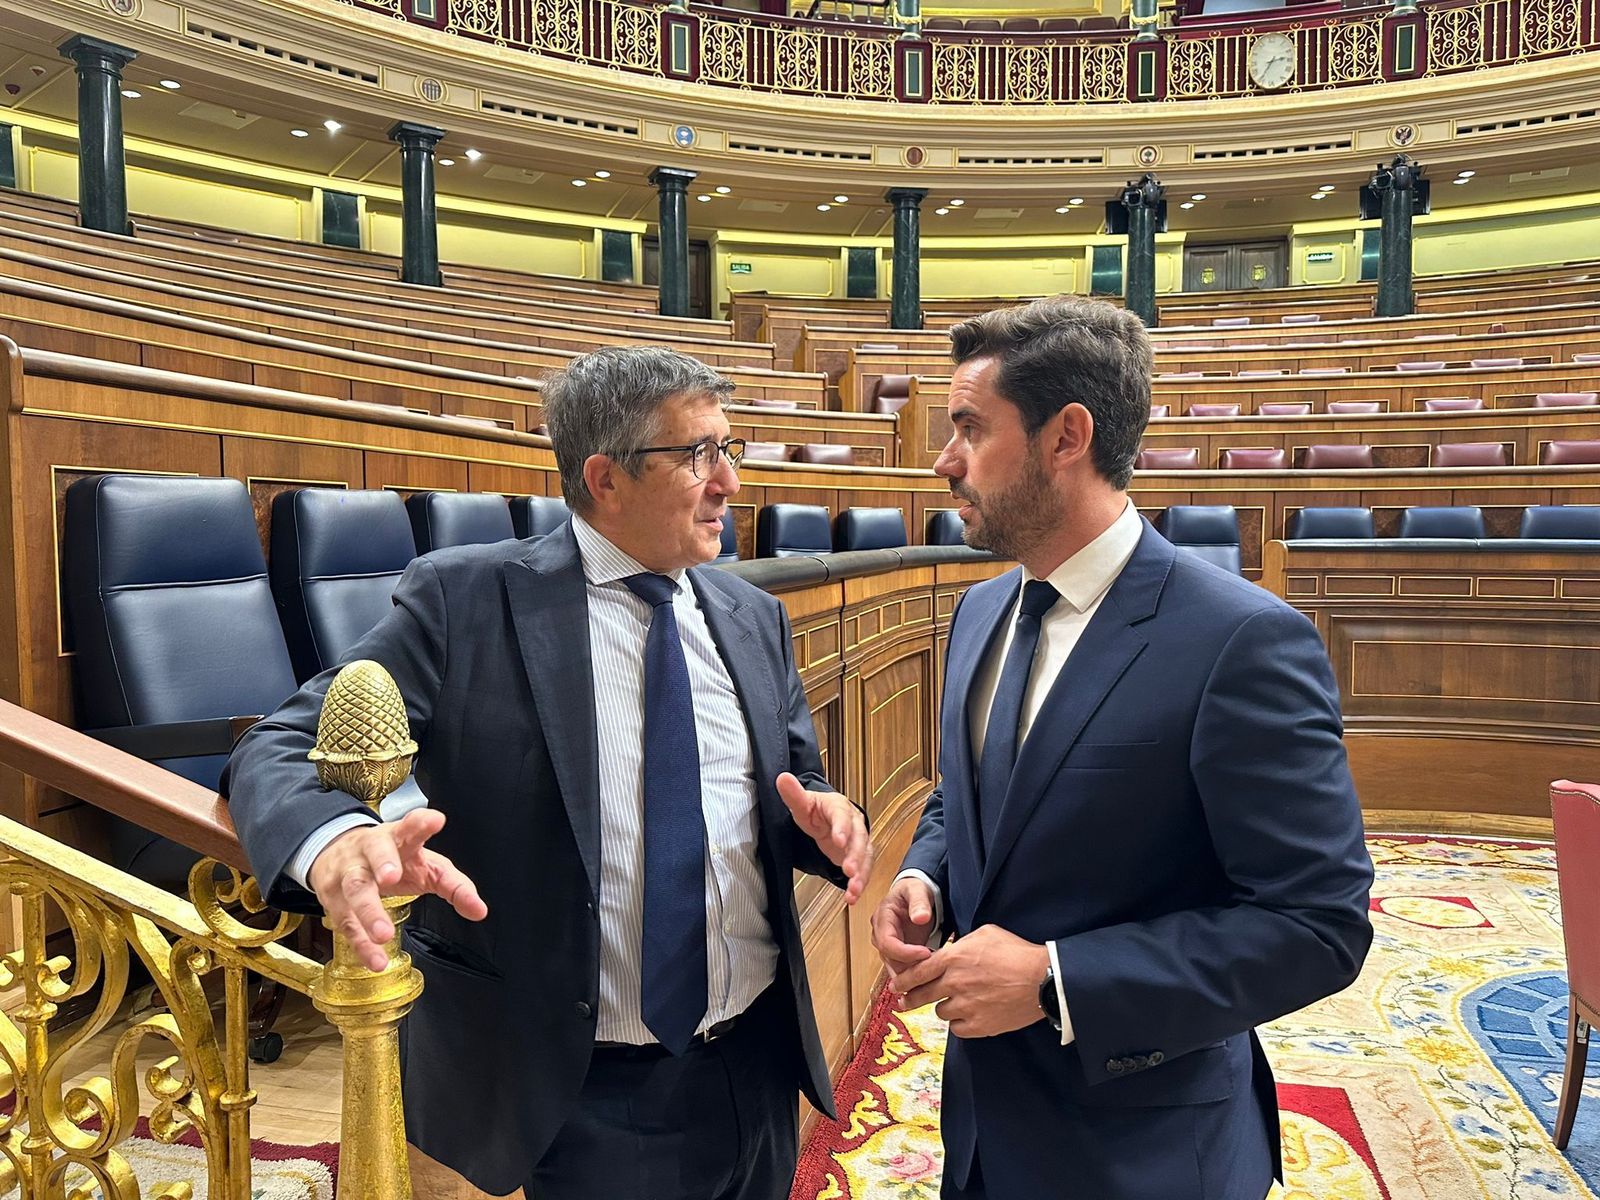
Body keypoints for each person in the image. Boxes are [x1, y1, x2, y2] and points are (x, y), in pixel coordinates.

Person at [222, 345, 872, 1200]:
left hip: (756, 1059)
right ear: (605, 478)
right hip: (583, 1086)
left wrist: (831, 818)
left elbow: (792, 784)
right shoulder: (465, 602)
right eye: (698, 455)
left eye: (730, 450)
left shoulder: (751, 615)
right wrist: (334, 839)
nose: (730, 483)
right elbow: (278, 742)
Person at [869, 297, 1373, 1200]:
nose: (944, 461)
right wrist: (927, 874)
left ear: (1067, 437)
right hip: (984, 1127)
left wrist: (1057, 981)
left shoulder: (1242, 641)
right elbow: (970, 792)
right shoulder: (983, 609)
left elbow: (1318, 924)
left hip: (1144, 1151)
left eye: (970, 429)